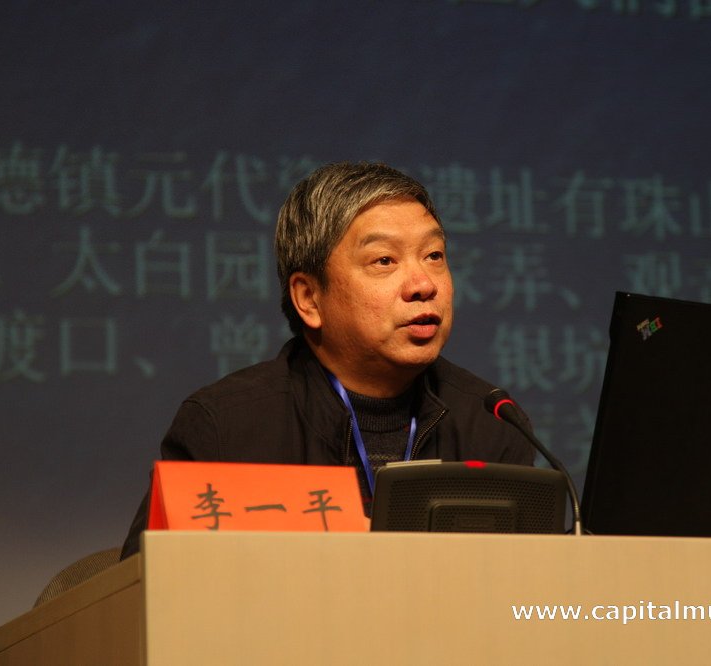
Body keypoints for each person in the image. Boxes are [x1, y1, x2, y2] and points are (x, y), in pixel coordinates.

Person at [120, 161, 535, 557]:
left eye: (434, 256)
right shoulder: (226, 428)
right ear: (309, 298)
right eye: (384, 260)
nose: (424, 284)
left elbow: (528, 587)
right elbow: (145, 592)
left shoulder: (492, 423)